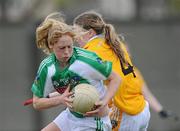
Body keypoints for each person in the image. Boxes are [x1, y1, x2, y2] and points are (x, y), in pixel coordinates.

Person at [32, 12, 121, 131]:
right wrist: (60, 99)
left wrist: (105, 101)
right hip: (70, 117)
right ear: (51, 45)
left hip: (94, 121)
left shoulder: (87, 60)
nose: (67, 52)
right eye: (62, 48)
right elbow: (37, 103)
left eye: (70, 46)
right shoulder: (47, 68)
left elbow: (116, 78)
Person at [73, 10, 150, 131]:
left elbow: (79, 83)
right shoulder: (114, 43)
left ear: (90, 33)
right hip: (141, 107)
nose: (75, 38)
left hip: (124, 113)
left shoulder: (90, 52)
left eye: (76, 32)